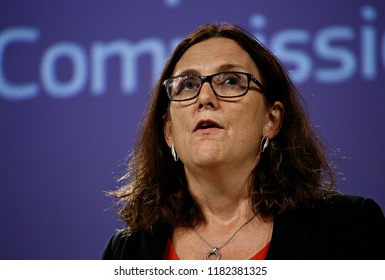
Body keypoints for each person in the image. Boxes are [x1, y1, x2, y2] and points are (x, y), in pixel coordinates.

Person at [102, 22, 385, 260]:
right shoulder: (126, 252)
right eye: (188, 85)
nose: (204, 98)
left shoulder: (350, 228)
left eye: (231, 81)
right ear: (169, 132)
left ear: (271, 119)